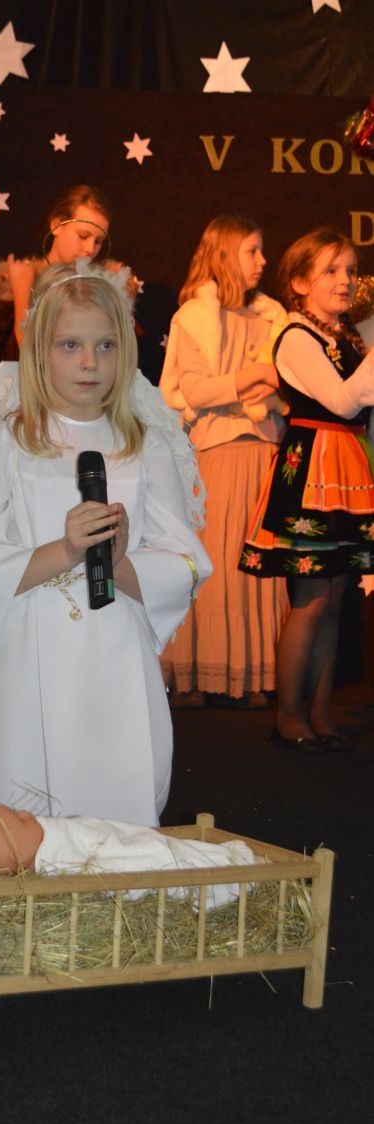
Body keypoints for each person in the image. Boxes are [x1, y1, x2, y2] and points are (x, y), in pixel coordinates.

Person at [0, 262, 211, 827]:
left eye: (105, 345)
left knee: (116, 792)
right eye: (71, 345)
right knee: (23, 800)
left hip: (116, 654)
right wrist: (65, 551)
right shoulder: (7, 444)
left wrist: (120, 561)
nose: (90, 362)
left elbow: (185, 561)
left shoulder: (145, 448)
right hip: (25, 653)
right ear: (40, 353)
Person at [239, 227, 374, 751]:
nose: (346, 281)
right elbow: (342, 401)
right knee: (312, 598)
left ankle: (319, 712)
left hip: (347, 468)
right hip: (312, 467)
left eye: (351, 271)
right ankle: (289, 714)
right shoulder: (297, 336)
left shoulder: (347, 337)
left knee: (336, 598)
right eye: (331, 271)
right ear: (299, 282)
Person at [159, 216, 291, 708]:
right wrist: (253, 375)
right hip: (218, 452)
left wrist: (263, 383)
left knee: (259, 569)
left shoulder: (272, 318)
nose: (263, 261)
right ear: (224, 254)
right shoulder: (195, 317)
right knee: (217, 567)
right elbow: (193, 390)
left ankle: (253, 674)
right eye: (252, 250)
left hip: (266, 451)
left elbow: (286, 383)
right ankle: (199, 673)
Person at [0, 804, 256, 910]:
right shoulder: (63, 861)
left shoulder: (51, 840)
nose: (26, 812)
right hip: (149, 858)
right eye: (20, 820)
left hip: (134, 842)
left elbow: (108, 832)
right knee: (162, 854)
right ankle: (227, 871)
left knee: (152, 843)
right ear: (19, 856)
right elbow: (117, 864)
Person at [0, 184, 137, 366]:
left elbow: (121, 360)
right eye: (83, 236)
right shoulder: (13, 285)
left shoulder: (106, 289)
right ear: (57, 225)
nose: (90, 248)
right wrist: (22, 291)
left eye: (98, 241)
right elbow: (26, 363)